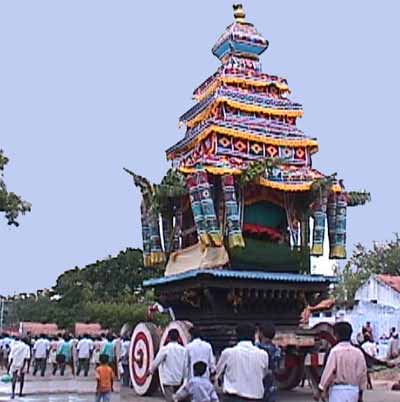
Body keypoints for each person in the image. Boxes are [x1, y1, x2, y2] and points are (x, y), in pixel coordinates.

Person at [216, 324, 269, 402]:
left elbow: (217, 372)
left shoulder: (228, 353)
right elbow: (264, 374)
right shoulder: (263, 354)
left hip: (232, 398)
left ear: (237, 336)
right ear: (254, 336)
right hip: (255, 398)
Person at [316, 321, 367, 402]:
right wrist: (360, 393)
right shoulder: (358, 353)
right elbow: (362, 373)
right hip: (353, 390)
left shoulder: (335, 351)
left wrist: (321, 388)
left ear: (336, 335)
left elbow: (329, 371)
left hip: (337, 391)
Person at [147, 329, 188, 402]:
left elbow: (156, 362)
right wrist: (185, 379)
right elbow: (186, 367)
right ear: (178, 338)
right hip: (179, 381)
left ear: (168, 338)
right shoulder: (183, 350)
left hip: (168, 381)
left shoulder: (165, 349)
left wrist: (150, 371)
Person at [256, 323, 282, 402]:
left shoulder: (257, 348)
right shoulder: (277, 350)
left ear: (261, 333)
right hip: (272, 383)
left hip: (258, 383)